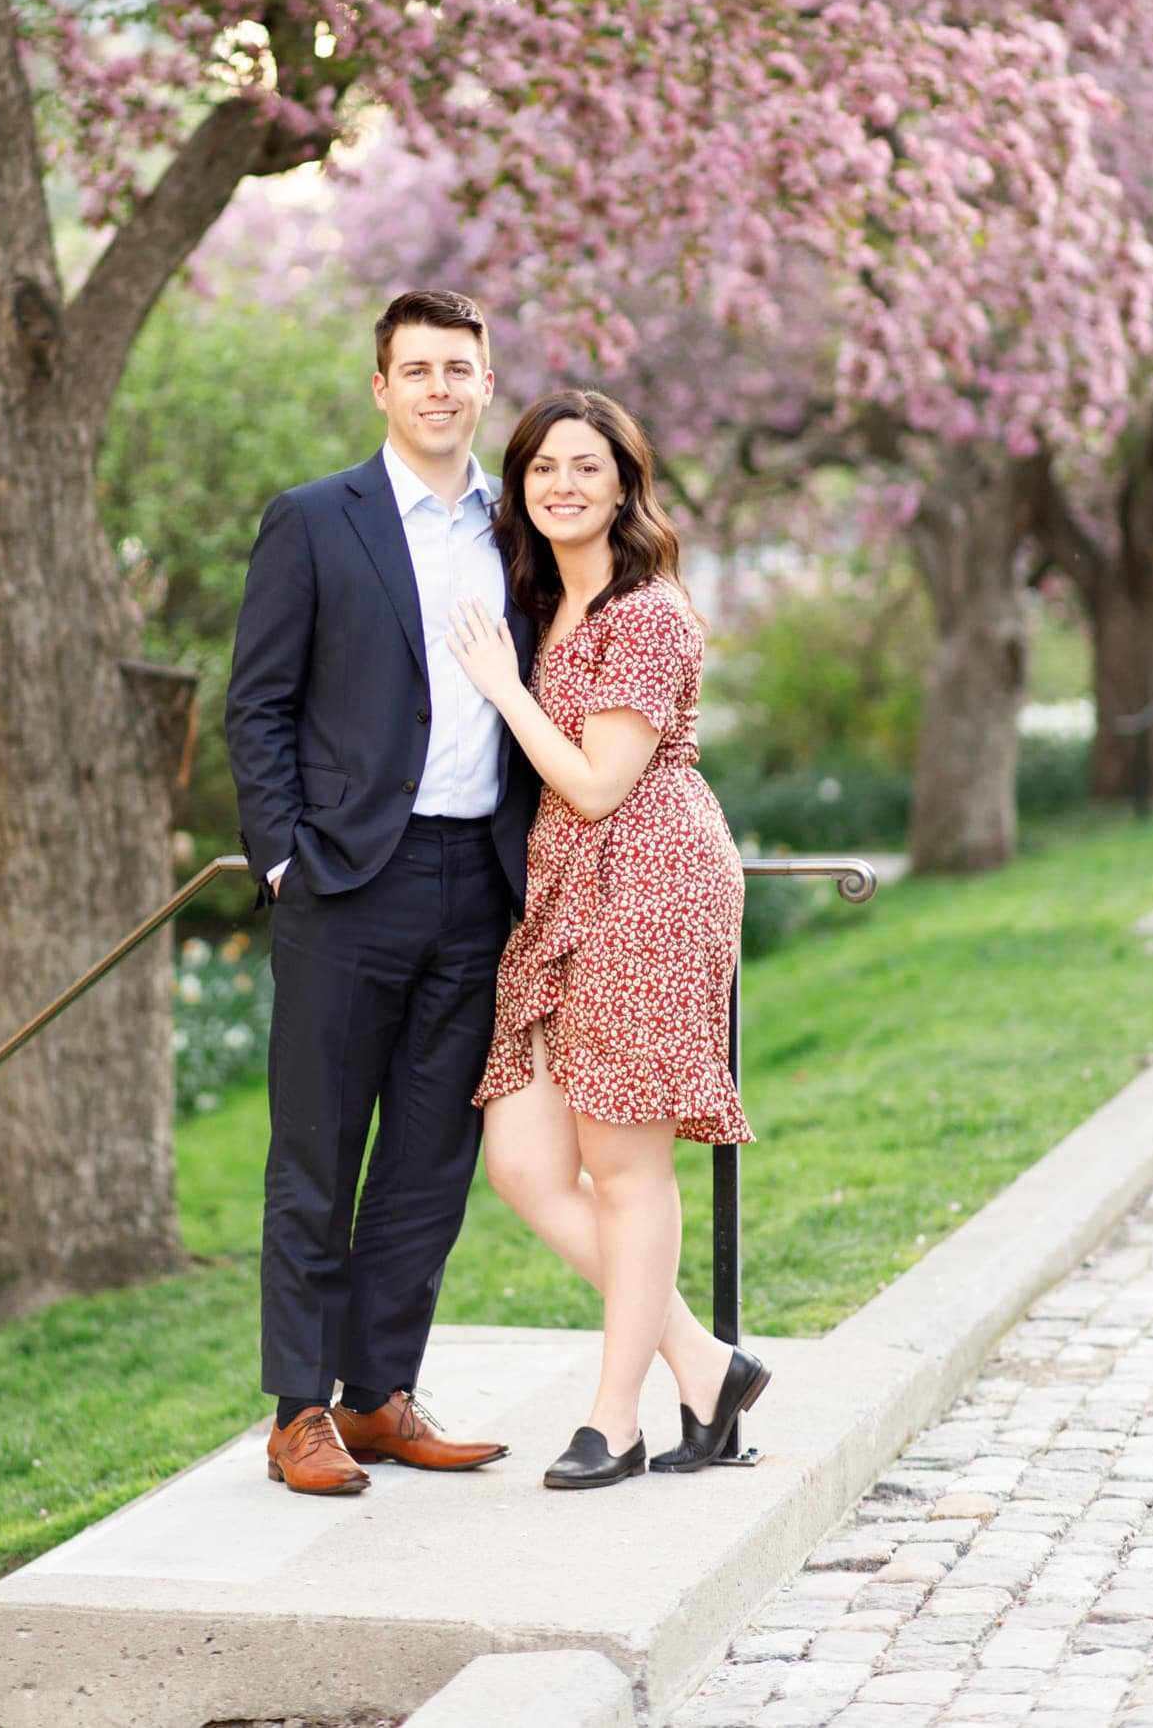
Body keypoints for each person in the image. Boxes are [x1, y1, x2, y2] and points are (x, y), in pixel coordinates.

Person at [226, 289, 540, 1496]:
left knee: (425, 1158)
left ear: (484, 380)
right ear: (381, 388)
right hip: (347, 883)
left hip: (479, 881)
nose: (439, 387)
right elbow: (255, 703)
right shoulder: (314, 520)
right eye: (416, 368)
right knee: (314, 1149)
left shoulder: (516, 530)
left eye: (458, 367)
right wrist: (283, 855)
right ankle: (298, 1408)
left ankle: (377, 1396)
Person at [447, 388, 766, 1490]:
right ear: (521, 487)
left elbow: (593, 781)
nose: (563, 485)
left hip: (650, 880)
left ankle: (615, 1417)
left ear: (625, 483)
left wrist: (500, 688)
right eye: (542, 467)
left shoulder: (647, 612)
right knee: (529, 1162)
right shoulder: (550, 607)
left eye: (587, 466)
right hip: (565, 889)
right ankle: (702, 1360)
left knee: (622, 1163)